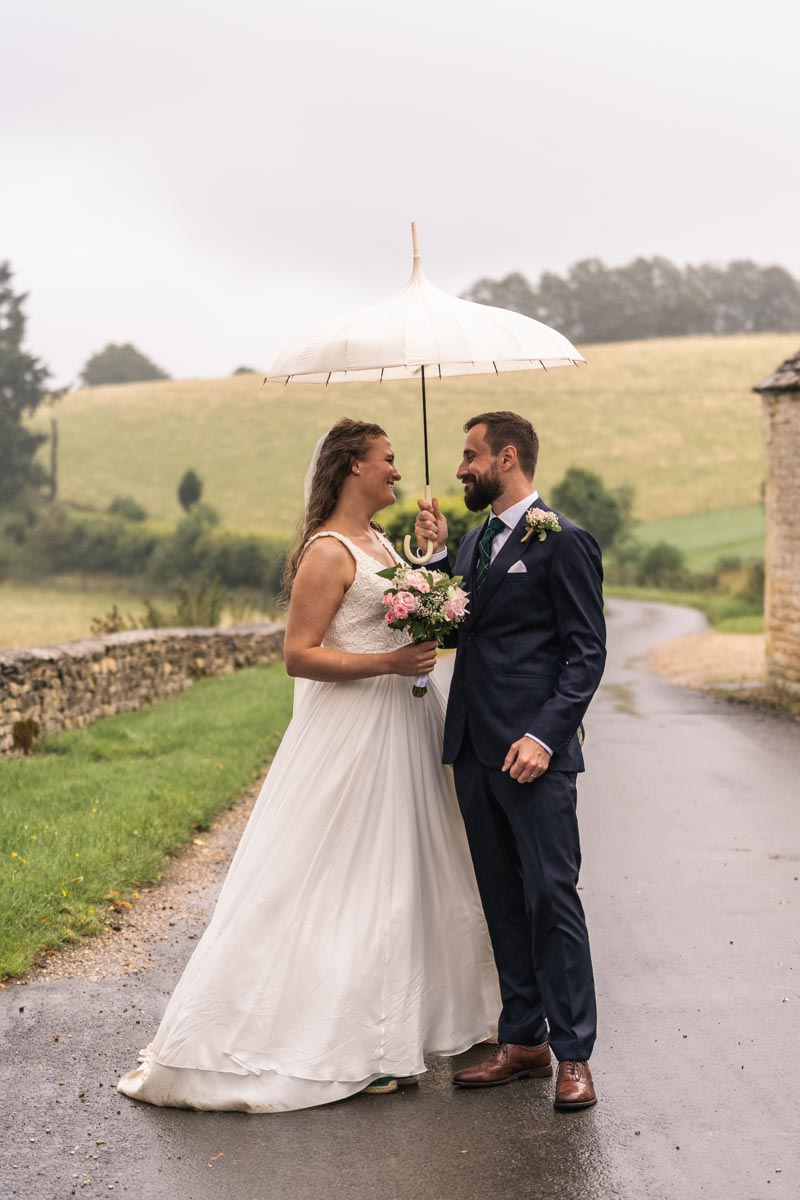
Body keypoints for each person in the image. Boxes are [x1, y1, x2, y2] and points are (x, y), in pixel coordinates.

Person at [117, 418, 500, 1113]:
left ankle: (391, 1031)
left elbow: (397, 609)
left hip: (403, 724)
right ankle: (321, 1034)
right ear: (354, 466)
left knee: (401, 874)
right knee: (338, 875)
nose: (396, 471)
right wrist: (388, 662)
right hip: (352, 731)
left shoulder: (380, 540)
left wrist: (428, 559)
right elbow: (299, 654)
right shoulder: (326, 551)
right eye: (387, 461)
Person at [415, 411, 606, 1111]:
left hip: (535, 755)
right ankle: (522, 1039)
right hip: (472, 747)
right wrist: (434, 559)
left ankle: (575, 1054)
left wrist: (546, 736)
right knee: (500, 898)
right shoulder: (472, 541)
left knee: (552, 897)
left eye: (470, 456)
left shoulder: (564, 541)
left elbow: (587, 653)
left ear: (507, 456)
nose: (461, 468)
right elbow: (453, 631)